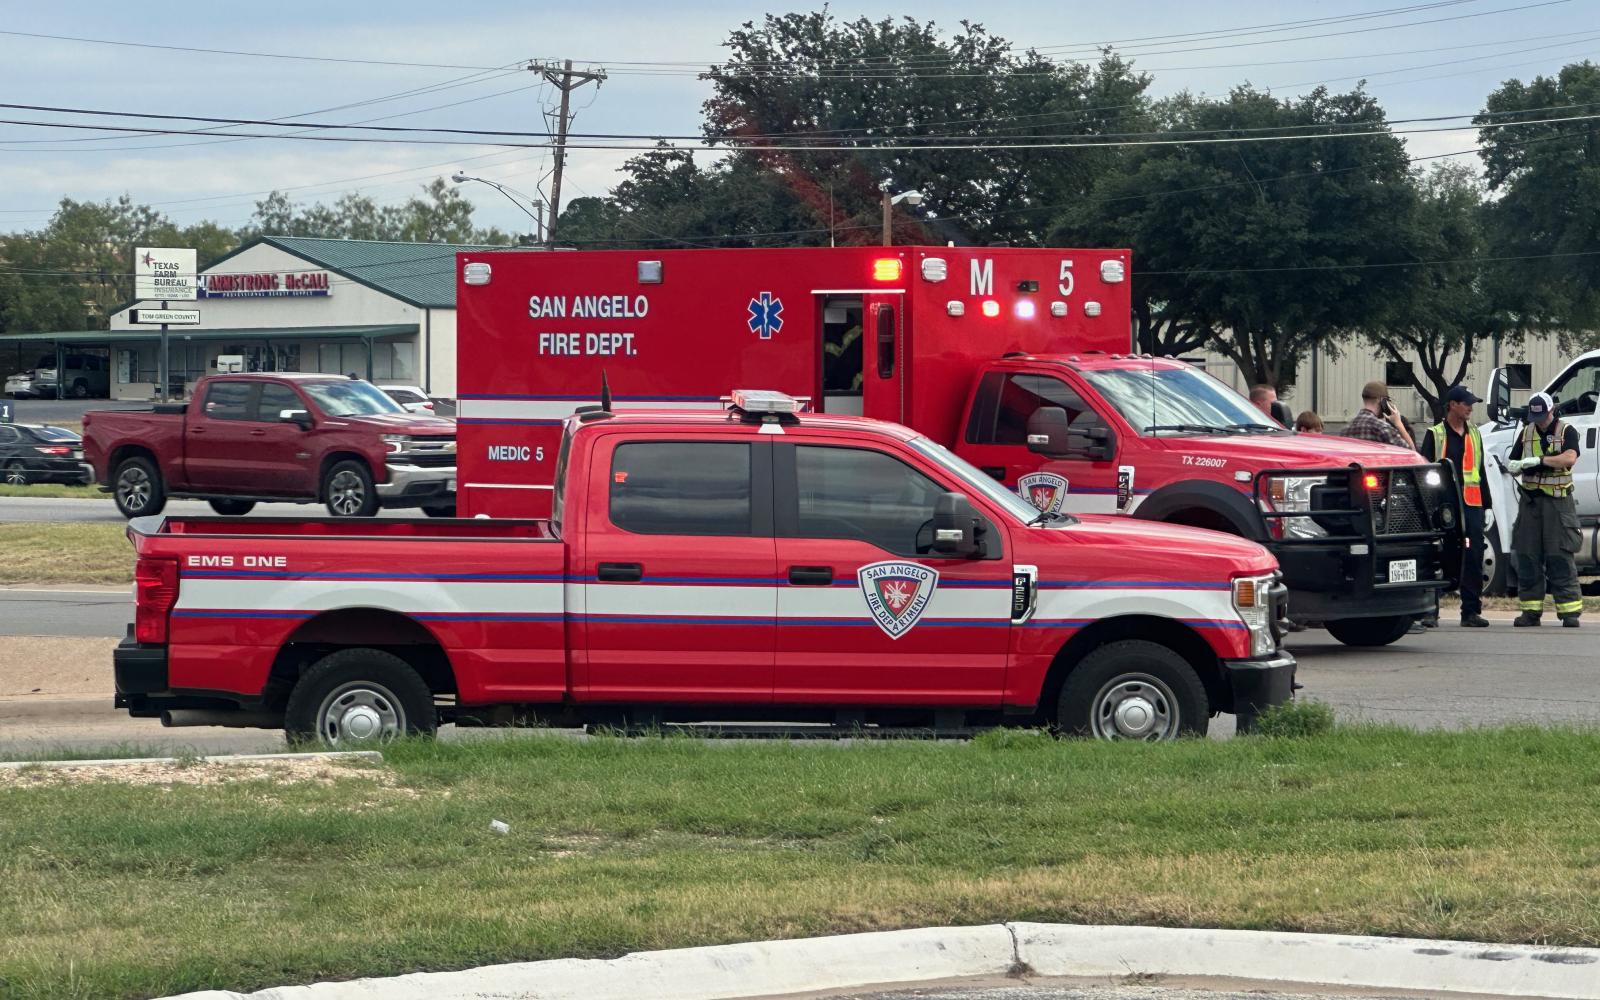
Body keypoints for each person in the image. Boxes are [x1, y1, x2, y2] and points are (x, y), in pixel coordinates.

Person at [1506, 391, 1582, 627]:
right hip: (1530, 503)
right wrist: (1516, 466)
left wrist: (1540, 461)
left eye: (1542, 416)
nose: (1539, 421)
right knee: (1527, 555)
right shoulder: (1526, 433)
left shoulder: (1566, 431)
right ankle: (1530, 611)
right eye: (1534, 416)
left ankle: (1569, 612)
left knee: (1559, 555)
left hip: (1558, 504)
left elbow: (1569, 458)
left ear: (1551, 411)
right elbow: (1513, 462)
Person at [1418, 386, 1491, 628]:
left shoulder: (1475, 434)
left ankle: (1471, 611)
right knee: (1439, 556)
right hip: (1443, 506)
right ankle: (1430, 612)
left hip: (1471, 505)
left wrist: (1487, 505)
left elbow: (1480, 471)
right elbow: (1424, 470)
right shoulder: (1435, 434)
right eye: (1466, 403)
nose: (1471, 407)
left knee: (1473, 556)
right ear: (1452, 405)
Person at [1342, 381, 1415, 450]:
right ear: (1382, 400)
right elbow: (1412, 452)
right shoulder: (1382, 428)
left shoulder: (1346, 429)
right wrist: (1399, 424)